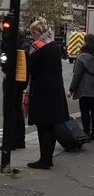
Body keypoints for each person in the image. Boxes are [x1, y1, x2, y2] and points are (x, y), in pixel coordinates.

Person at [26, 17, 70, 169]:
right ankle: (48, 159)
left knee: (43, 127)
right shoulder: (53, 45)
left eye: (32, 33)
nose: (31, 36)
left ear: (37, 33)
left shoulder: (37, 47)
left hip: (42, 93)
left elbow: (30, 69)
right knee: (50, 127)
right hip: (55, 91)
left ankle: (44, 160)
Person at [69, 33, 94, 138]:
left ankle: (86, 132)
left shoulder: (82, 57)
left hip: (85, 90)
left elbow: (77, 74)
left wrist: (72, 88)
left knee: (84, 112)